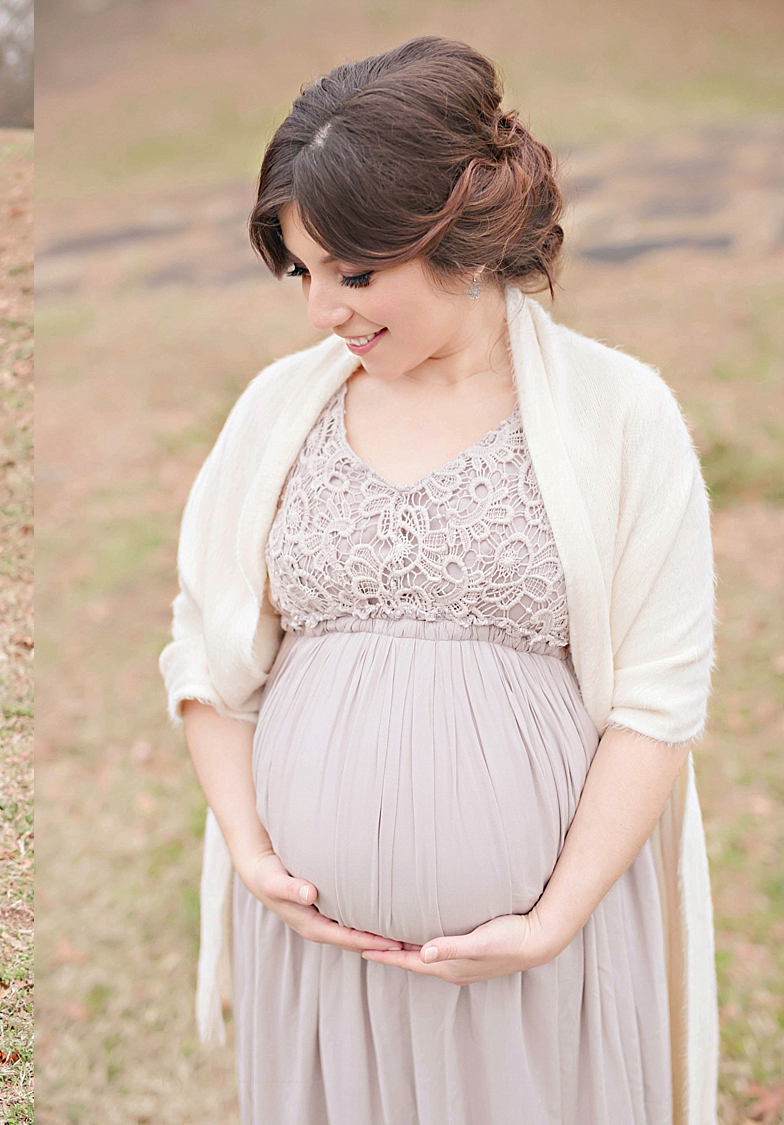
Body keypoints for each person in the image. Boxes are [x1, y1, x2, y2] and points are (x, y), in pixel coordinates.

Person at [160, 37, 717, 1125]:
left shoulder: (619, 415)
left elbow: (659, 700)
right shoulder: (281, 410)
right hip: (319, 964)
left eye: (355, 273)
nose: (323, 310)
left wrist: (549, 923)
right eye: (303, 271)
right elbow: (205, 653)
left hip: (538, 965)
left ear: (459, 241)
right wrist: (250, 847)